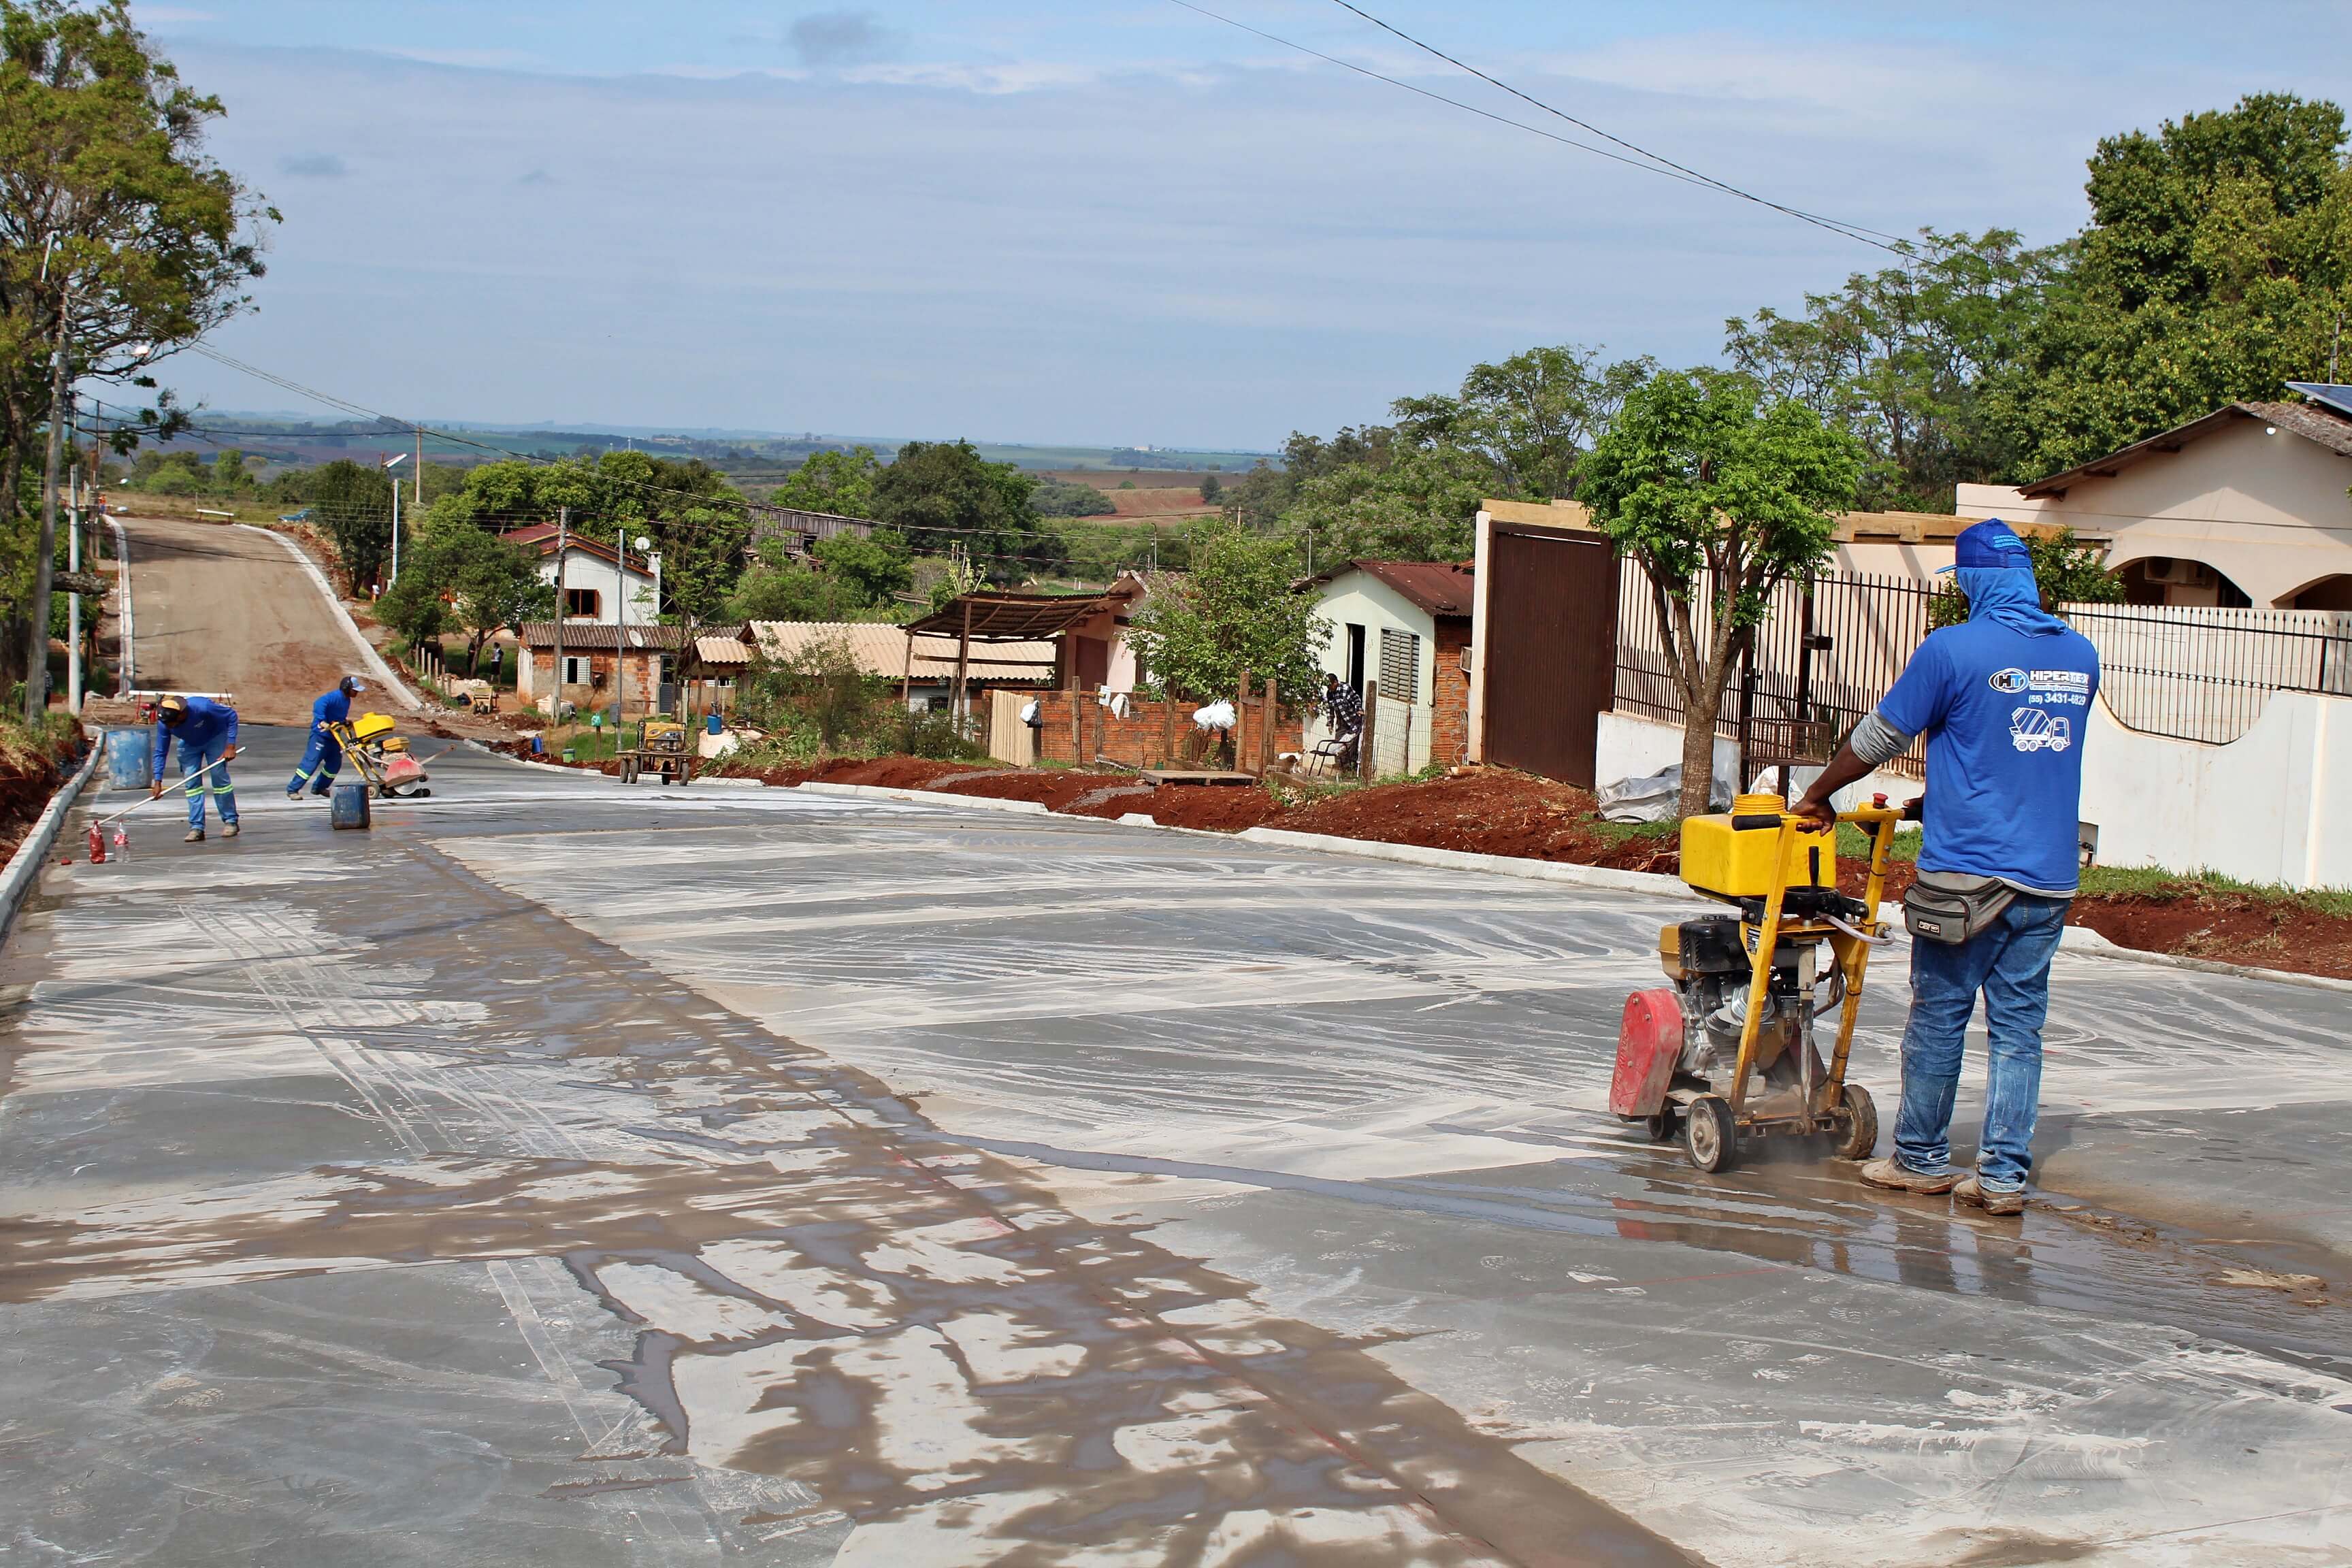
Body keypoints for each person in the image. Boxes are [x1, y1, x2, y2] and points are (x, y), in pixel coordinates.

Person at [1793, 519, 2099, 1218]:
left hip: (1969, 878)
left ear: (1977, 582)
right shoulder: (2080, 656)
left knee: (1940, 1016)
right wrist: (1943, 797)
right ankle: (2002, 1180)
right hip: (2048, 875)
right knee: (2019, 1031)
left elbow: (1880, 735)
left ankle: (1922, 1159)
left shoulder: (1951, 649)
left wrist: (1818, 794)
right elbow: (2015, 749)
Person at [150, 693, 242, 843]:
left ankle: (230, 821)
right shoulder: (165, 722)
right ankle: (197, 827)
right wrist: (158, 781)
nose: (168, 727)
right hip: (190, 743)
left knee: (219, 778)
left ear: (181, 715)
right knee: (191, 783)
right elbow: (161, 751)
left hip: (215, 737)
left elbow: (231, 716)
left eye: (171, 724)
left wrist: (230, 746)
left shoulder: (202, 707)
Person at [287, 675, 365, 800]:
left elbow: (338, 715)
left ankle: (320, 788)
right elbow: (319, 703)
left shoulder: (347, 700)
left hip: (333, 737)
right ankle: (293, 790)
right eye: (354, 690)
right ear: (346, 688)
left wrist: (344, 722)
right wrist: (322, 720)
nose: (356, 692)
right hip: (320, 736)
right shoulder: (333, 697)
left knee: (335, 764)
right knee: (310, 763)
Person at [1321, 673, 1362, 772]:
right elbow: (1330, 709)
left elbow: (1356, 699)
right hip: (1341, 723)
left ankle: (1349, 769)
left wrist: (1359, 710)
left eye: (1330, 685)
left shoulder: (1346, 688)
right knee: (1338, 746)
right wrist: (1330, 722)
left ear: (1335, 682)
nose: (1329, 688)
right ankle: (1340, 768)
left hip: (1353, 722)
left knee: (1350, 746)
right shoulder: (1330, 694)